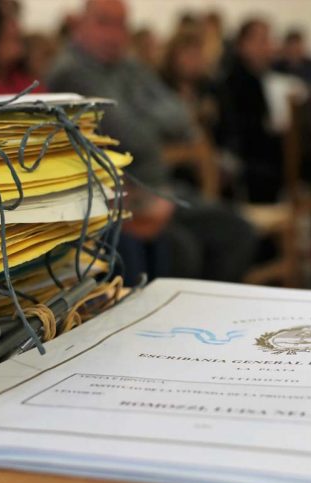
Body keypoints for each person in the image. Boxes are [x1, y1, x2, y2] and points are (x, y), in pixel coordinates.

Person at [46, 0, 255, 285]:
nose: (114, 34)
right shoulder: (71, 73)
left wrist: (145, 117)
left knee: (236, 228)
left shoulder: (127, 66)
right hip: (122, 197)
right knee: (189, 247)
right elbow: (131, 137)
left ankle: (207, 307)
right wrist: (154, 120)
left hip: (159, 188)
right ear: (79, 24)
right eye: (104, 23)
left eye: (121, 25)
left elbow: (180, 113)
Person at [218, 18, 283, 203]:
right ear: (244, 45)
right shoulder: (235, 82)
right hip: (247, 166)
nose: (269, 47)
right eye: (263, 41)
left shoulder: (257, 78)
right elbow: (243, 134)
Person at [160, 31, 220, 135]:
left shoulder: (212, 88)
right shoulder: (160, 86)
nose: (192, 61)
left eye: (196, 55)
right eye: (187, 54)